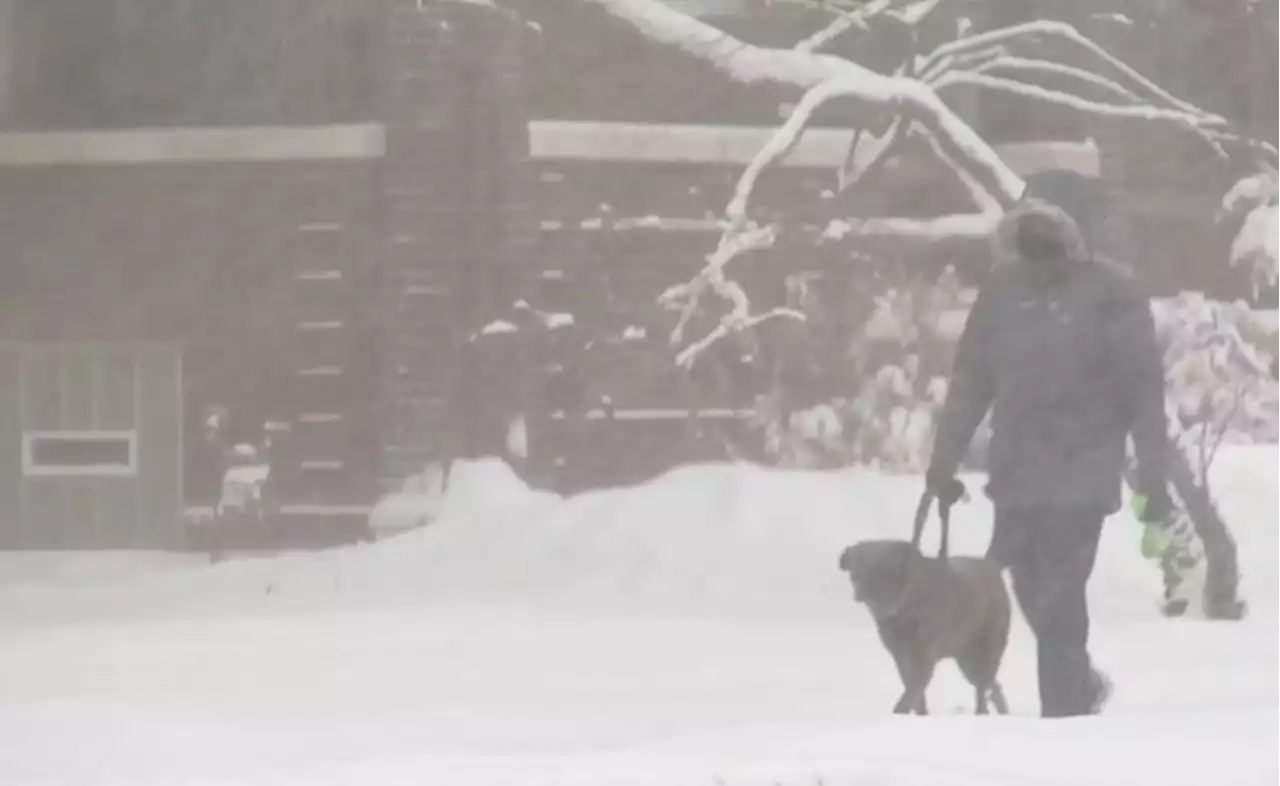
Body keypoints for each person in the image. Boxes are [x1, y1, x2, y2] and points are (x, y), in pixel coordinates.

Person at [924, 197, 1175, 718]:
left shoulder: (1111, 294)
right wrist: (943, 460)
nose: (1038, 249)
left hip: (1084, 470)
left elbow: (1142, 388)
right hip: (1017, 471)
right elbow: (972, 381)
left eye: (1048, 236)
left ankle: (1063, 715)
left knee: (1061, 591)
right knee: (1025, 584)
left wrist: (1152, 474)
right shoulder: (1000, 295)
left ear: (1072, 237)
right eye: (1027, 237)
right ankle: (1078, 683)